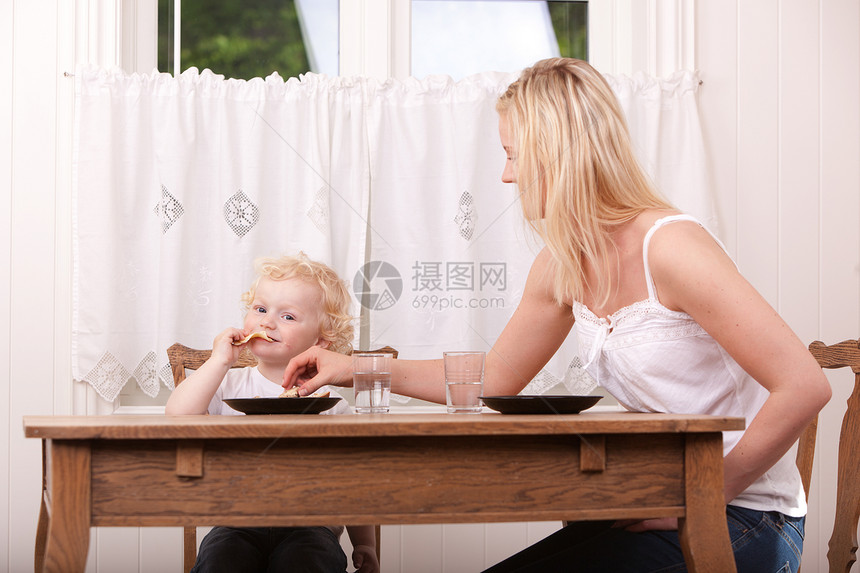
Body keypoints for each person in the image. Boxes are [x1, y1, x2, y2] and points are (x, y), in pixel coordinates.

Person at [282, 58, 832, 572]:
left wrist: (703, 494)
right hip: (660, 501)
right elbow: (493, 378)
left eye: (513, 154)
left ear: (558, 152)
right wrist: (350, 366)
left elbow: (804, 387)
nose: (506, 176)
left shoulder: (671, 247)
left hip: (746, 517)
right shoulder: (562, 264)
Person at [165, 253, 379, 573]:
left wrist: (365, 543)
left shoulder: (330, 401)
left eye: (288, 317)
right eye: (261, 309)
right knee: (218, 562)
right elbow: (176, 416)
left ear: (320, 340)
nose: (266, 322)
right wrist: (220, 361)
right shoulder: (225, 384)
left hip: (310, 527)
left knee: (309, 563)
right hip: (234, 524)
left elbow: (354, 479)